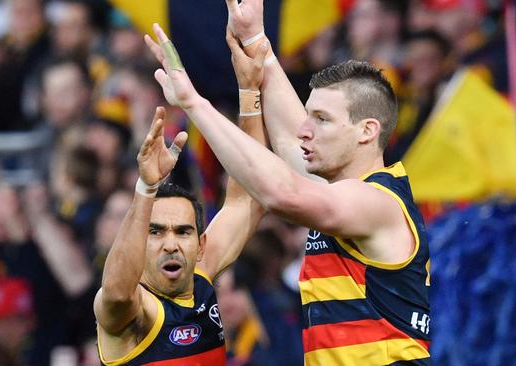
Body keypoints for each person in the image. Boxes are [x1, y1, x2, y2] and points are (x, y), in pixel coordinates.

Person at [144, 0, 431, 361]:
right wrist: (256, 39)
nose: (306, 131)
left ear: (366, 131)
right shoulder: (339, 191)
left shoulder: (377, 202)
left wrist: (194, 104)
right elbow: (287, 142)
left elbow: (280, 192)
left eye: (322, 120)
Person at [94, 40, 268, 363]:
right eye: (156, 232)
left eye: (183, 232)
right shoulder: (136, 311)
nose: (171, 244)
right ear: (138, 243)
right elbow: (117, 293)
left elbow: (248, 198)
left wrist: (249, 91)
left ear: (201, 245)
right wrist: (146, 187)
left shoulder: (200, 277)